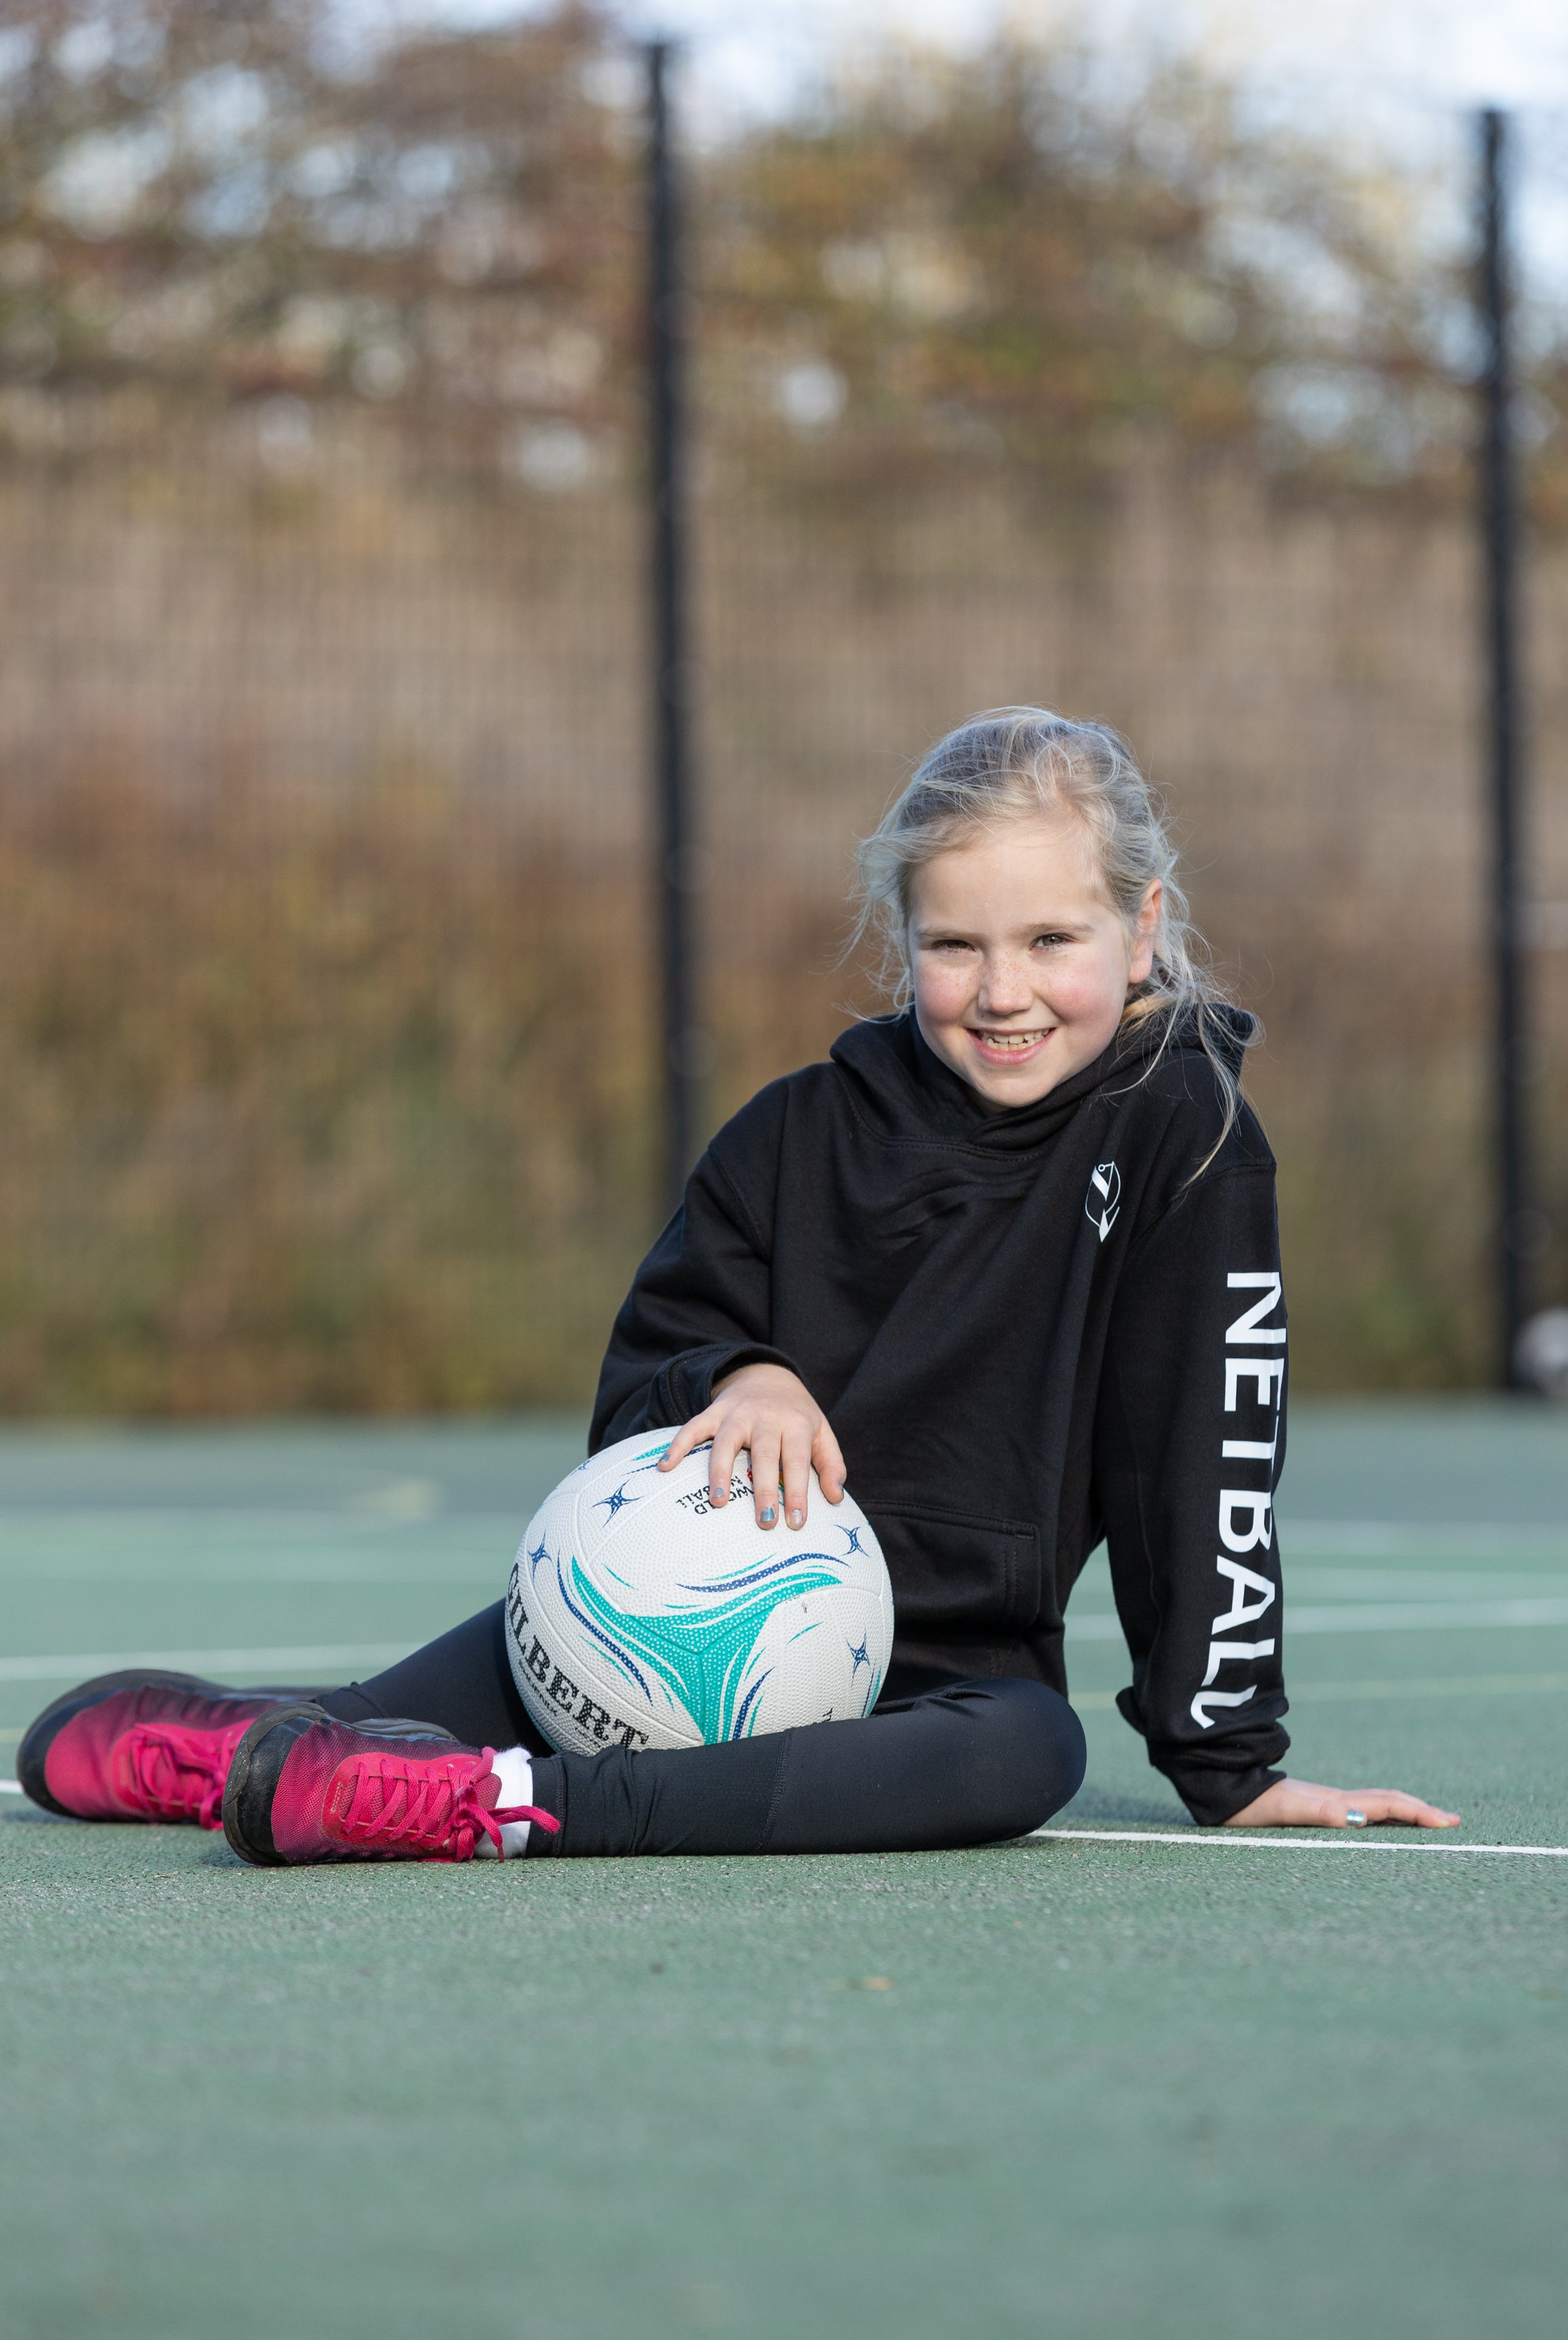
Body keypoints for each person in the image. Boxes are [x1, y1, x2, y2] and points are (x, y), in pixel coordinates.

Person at [20, 707, 1459, 1863]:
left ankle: (495, 1808)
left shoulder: (1184, 1137)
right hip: (647, 1618)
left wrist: (1230, 1762)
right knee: (336, 1745)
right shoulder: (797, 1130)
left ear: (1142, 931)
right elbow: (640, 1374)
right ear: (901, 942)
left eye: (1050, 942)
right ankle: (234, 1748)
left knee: (1032, 1754)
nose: (1002, 988)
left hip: (940, 1669)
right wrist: (740, 1375)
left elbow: (1203, 1453)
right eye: (953, 945)